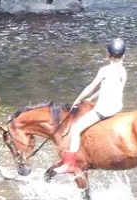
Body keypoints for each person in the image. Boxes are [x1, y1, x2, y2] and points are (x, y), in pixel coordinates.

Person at [53, 38, 129, 175]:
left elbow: (90, 87)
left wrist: (78, 99)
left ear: (107, 55)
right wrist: (92, 98)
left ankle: (70, 164)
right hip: (117, 106)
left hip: (104, 109)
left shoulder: (105, 70)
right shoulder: (122, 71)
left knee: (75, 129)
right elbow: (109, 88)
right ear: (124, 55)